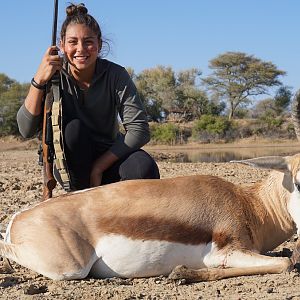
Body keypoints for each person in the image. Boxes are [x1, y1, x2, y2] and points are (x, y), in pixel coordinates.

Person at [17, 3, 160, 191]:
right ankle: (80, 196)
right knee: (73, 130)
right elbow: (26, 129)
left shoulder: (116, 74)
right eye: (72, 42)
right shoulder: (52, 76)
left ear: (99, 44)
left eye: (89, 41)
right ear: (61, 45)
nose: (81, 49)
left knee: (144, 167)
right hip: (70, 161)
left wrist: (99, 166)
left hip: (109, 158)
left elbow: (139, 130)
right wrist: (38, 80)